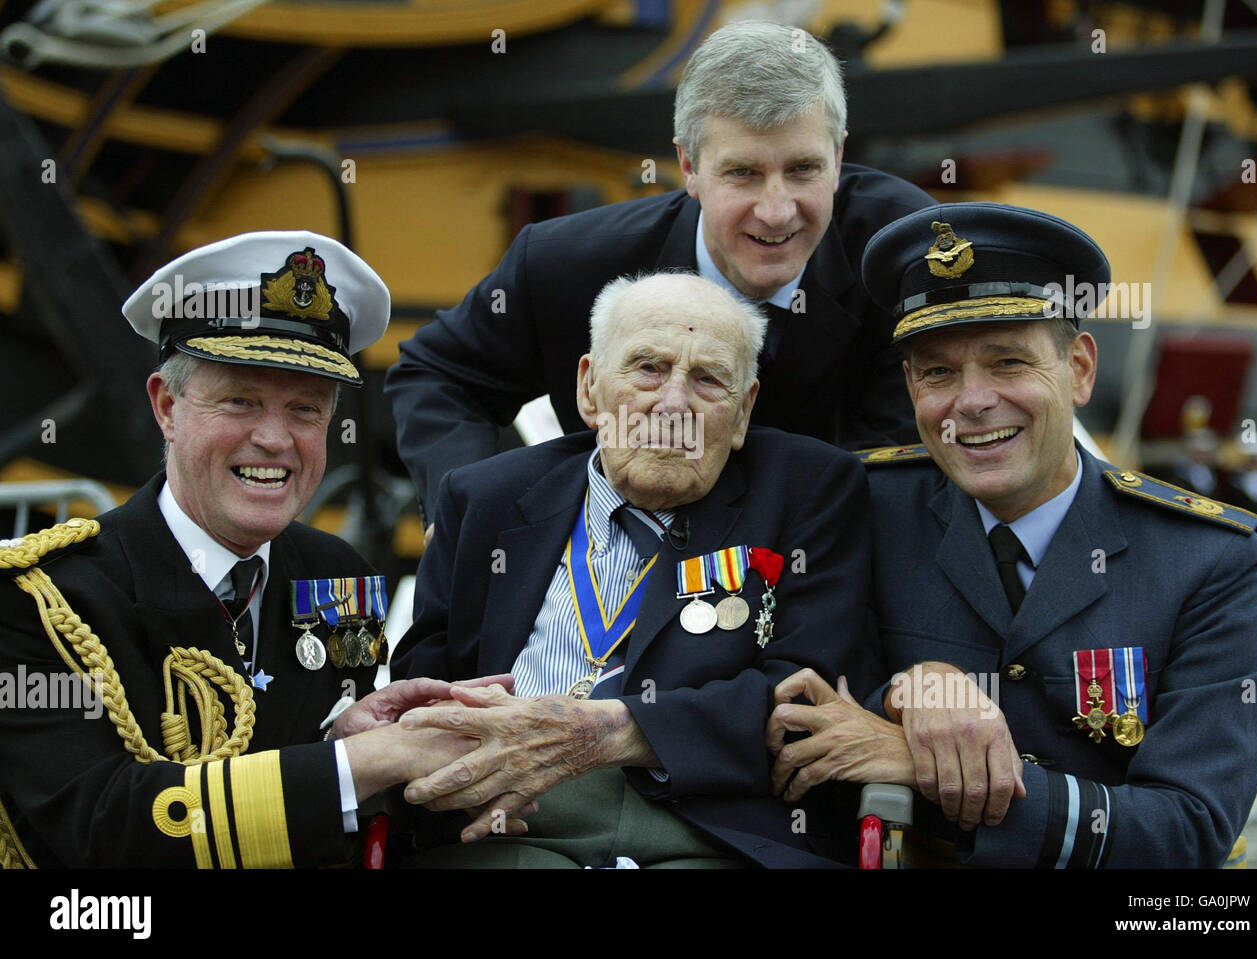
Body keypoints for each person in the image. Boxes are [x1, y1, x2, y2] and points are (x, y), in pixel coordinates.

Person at [766, 203, 1257, 867]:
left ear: (1081, 369)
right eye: (938, 371)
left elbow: (1188, 828)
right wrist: (909, 688)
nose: (972, 401)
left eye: (1007, 361)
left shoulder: (1206, 560)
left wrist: (928, 768)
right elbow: (800, 709)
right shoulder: (865, 508)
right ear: (911, 385)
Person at [0, 231, 501, 869]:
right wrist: (360, 762)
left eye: (305, 410)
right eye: (241, 401)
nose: (274, 439)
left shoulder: (338, 577)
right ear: (167, 407)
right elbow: (97, 826)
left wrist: (357, 741)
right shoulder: (40, 600)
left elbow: (302, 786)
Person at [391, 271, 871, 868]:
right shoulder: (485, 496)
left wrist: (610, 729)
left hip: (708, 828)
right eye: (648, 368)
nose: (673, 403)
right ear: (589, 389)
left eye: (708, 378)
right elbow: (422, 680)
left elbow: (809, 700)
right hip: (510, 820)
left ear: (744, 410)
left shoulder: (810, 490)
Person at [386, 19, 933, 526]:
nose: (776, 210)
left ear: (838, 157)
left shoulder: (900, 253)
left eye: (803, 170)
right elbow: (438, 375)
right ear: (689, 167)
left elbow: (905, 479)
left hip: (822, 567)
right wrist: (470, 518)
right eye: (742, 173)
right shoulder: (567, 263)